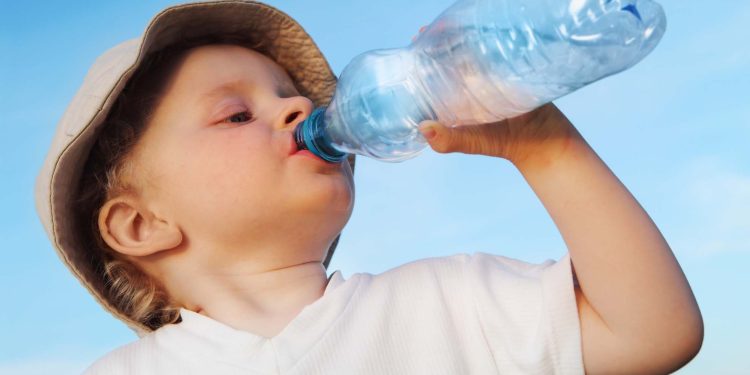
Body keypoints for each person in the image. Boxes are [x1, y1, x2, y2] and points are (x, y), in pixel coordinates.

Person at [35, 1, 703, 374]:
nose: (294, 109)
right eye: (236, 114)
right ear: (140, 225)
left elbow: (655, 332)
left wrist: (545, 147)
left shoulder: (452, 301)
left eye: (292, 95)